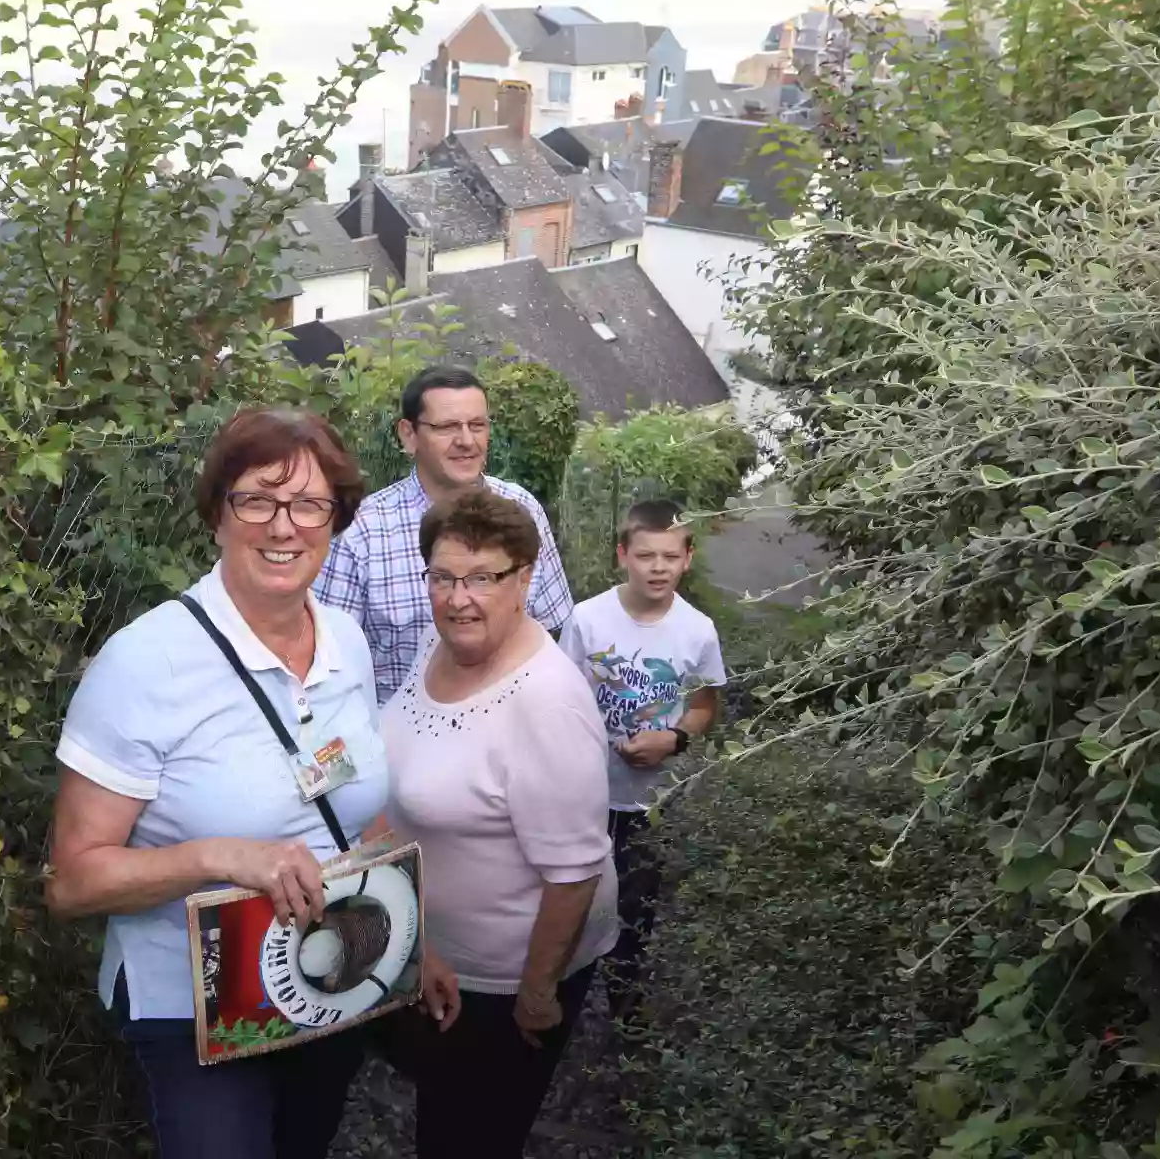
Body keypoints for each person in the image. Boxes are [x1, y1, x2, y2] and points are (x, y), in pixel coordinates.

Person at [46, 408, 385, 1159]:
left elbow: (361, 807)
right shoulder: (145, 664)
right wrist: (221, 857)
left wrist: (409, 927)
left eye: (309, 504)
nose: (284, 526)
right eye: (257, 500)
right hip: (195, 1004)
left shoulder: (348, 644)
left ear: (337, 520)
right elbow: (71, 882)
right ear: (218, 514)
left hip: (323, 977)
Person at [378, 489, 618, 1157]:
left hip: (503, 980)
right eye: (444, 577)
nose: (460, 598)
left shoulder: (545, 702)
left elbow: (574, 870)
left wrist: (537, 996)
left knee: (473, 1138)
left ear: (525, 578)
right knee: (444, 1121)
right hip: (435, 959)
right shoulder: (440, 640)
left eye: (484, 578)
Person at [316, 365, 573, 704]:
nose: (466, 441)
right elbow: (331, 663)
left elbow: (554, 628)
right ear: (409, 435)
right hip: (400, 744)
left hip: (512, 731)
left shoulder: (523, 508)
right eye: (448, 427)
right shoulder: (362, 531)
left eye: (477, 425)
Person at [559, 499, 725, 965]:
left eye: (670, 557)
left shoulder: (698, 631)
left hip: (652, 801)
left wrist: (673, 740)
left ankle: (625, 1011)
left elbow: (704, 702)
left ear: (688, 558)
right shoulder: (586, 619)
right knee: (573, 899)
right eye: (646, 555)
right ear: (622, 554)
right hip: (584, 794)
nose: (658, 568)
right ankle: (560, 989)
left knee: (635, 912)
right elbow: (557, 698)